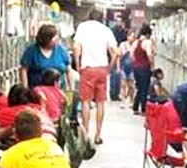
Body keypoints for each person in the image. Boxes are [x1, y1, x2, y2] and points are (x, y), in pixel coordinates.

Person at [73, 8, 119, 145]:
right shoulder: (106, 30)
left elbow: (76, 48)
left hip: (87, 68)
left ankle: (86, 133)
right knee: (100, 102)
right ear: (102, 18)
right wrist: (109, 67)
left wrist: (78, 64)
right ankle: (98, 135)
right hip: (101, 69)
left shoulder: (82, 27)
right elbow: (116, 52)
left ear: (89, 16)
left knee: (85, 101)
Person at [20, 23, 71, 89]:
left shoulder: (61, 50)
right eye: (54, 37)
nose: (57, 39)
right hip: (37, 91)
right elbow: (24, 70)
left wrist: (70, 87)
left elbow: (68, 70)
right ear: (46, 39)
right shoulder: (32, 51)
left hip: (58, 90)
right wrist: (25, 88)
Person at [131, 24, 154, 116]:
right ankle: (143, 109)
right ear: (148, 34)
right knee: (145, 88)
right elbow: (149, 55)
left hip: (136, 68)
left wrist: (136, 63)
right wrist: (152, 65)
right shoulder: (147, 42)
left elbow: (131, 55)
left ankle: (135, 107)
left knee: (139, 88)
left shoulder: (136, 42)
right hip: (144, 68)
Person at [119, 31, 136, 104]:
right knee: (123, 84)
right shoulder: (123, 45)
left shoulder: (135, 45)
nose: (133, 38)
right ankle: (122, 101)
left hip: (132, 68)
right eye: (132, 36)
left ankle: (131, 100)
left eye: (134, 37)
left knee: (131, 85)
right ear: (128, 36)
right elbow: (119, 56)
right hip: (123, 67)